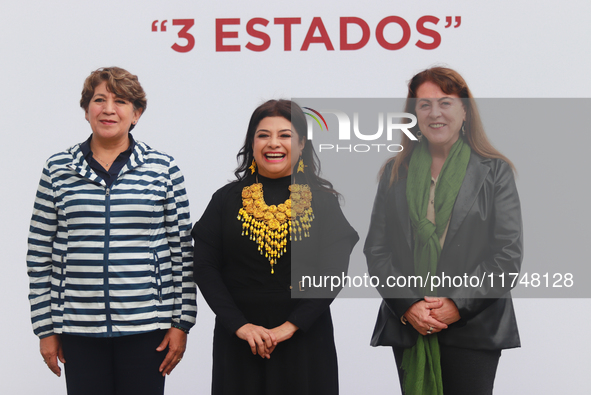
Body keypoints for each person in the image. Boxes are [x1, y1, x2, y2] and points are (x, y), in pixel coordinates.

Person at [26, 67, 196, 395]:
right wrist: (44, 329)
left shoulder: (163, 168)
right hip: (77, 328)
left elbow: (182, 252)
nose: (108, 109)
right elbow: (38, 254)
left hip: (149, 328)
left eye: (120, 101)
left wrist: (181, 323)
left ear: (137, 113)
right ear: (86, 109)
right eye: (99, 100)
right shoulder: (57, 169)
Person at [364, 67, 522, 395]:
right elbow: (377, 251)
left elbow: (507, 255)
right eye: (424, 105)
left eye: (445, 102)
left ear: (465, 110)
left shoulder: (494, 172)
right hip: (411, 324)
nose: (435, 113)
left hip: (474, 326)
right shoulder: (394, 173)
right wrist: (409, 305)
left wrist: (456, 304)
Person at [192, 99, 358, 395]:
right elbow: (205, 267)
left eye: (285, 135)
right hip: (239, 341)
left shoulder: (322, 201)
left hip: (305, 340)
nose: (274, 143)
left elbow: (332, 273)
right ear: (252, 143)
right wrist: (241, 326)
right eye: (263, 134)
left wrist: (289, 328)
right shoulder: (225, 199)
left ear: (302, 143)